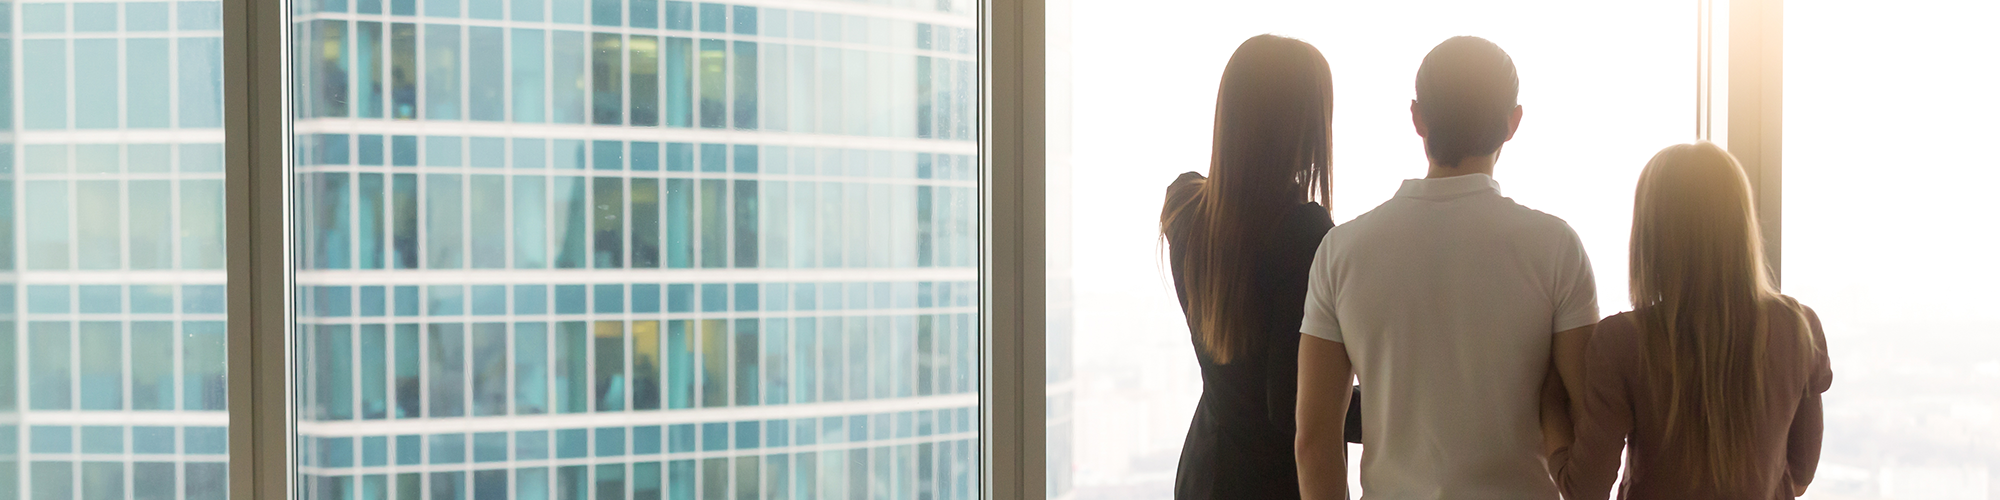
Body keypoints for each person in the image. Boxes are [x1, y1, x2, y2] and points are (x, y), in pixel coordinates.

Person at [1295, 36, 1599, 499]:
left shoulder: (1342, 251)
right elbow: (1587, 414)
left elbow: (1314, 441)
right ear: (1513, 123)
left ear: (1417, 118)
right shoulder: (1556, 248)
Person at [1547, 142, 1831, 499]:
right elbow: (1801, 475)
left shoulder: (1624, 342)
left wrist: (1550, 403)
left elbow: (1585, 490)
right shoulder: (1799, 328)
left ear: (1650, 235)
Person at [1163, 34, 1335, 500]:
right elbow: (1292, 406)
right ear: (1300, 129)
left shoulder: (1184, 206)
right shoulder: (1303, 231)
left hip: (1203, 470)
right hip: (1270, 483)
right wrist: (1402, 409)